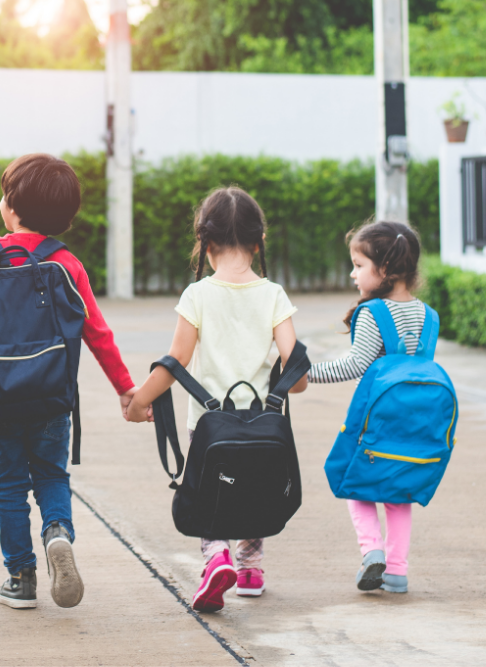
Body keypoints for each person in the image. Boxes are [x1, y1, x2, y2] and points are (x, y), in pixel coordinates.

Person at [0, 153, 135, 610]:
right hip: (51, 394)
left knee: (10, 485)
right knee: (52, 474)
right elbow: (97, 332)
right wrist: (125, 388)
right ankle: (57, 533)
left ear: (12, 208)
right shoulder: (66, 263)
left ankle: (21, 579)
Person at [125, 186, 307, 613]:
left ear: (206, 244)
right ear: (259, 242)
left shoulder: (198, 295)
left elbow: (175, 362)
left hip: (209, 426)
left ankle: (216, 558)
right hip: (262, 423)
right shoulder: (274, 295)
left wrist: (138, 402)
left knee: (212, 491)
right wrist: (283, 382)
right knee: (255, 485)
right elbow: (296, 374)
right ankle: (251, 570)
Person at [307, 220, 426, 595]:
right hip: (414, 422)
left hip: (376, 420)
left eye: (359, 265)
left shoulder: (374, 313)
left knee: (353, 481)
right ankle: (397, 572)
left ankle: (372, 550)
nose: (352, 273)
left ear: (385, 268)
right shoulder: (428, 315)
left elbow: (353, 365)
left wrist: (304, 373)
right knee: (399, 494)